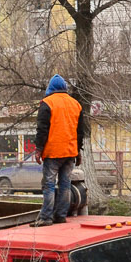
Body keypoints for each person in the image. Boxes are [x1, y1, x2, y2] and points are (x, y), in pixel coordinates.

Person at [32, 74, 89, 226]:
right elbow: (79, 132)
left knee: (49, 185)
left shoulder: (47, 103)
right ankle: (61, 216)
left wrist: (38, 149)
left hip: (53, 152)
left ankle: (46, 218)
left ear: (51, 88)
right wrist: (78, 151)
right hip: (70, 152)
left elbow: (42, 129)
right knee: (65, 184)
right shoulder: (76, 104)